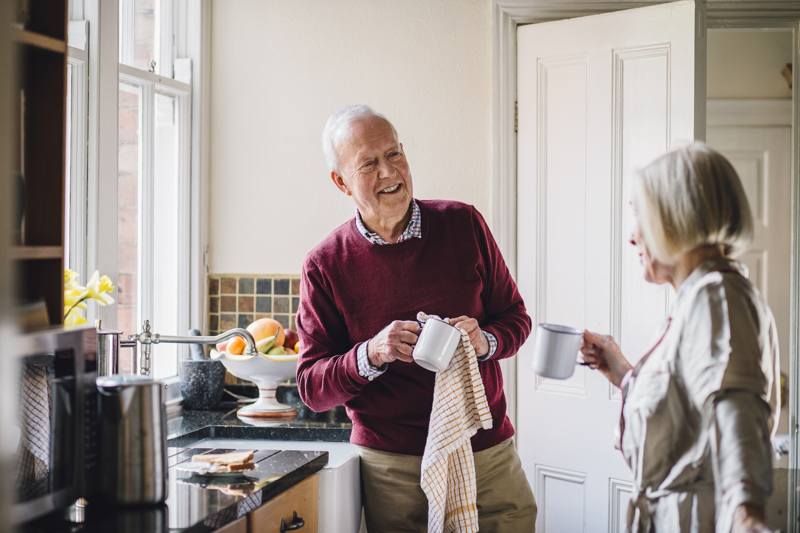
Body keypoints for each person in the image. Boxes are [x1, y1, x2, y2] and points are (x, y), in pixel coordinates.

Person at [295, 105, 537, 532]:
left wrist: (485, 342)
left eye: (394, 154)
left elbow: (516, 318)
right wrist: (371, 354)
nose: (390, 173)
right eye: (369, 163)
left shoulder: (463, 224)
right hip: (393, 466)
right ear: (341, 182)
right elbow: (312, 387)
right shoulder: (325, 264)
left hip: (486, 451)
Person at [580, 143, 780, 533]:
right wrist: (621, 371)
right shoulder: (699, 298)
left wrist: (746, 515)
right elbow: (688, 414)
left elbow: (736, 410)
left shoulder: (716, 297)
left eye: (642, 218)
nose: (633, 238)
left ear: (676, 219)